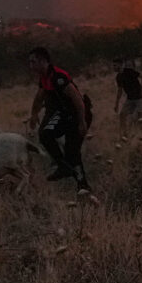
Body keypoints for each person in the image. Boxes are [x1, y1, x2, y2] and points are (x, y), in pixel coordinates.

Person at [27, 46, 91, 192]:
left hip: (76, 114)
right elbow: (39, 97)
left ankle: (82, 185)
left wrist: (82, 122)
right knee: (45, 134)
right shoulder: (44, 78)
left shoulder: (58, 77)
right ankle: (63, 166)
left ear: (43, 61)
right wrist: (34, 114)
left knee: (72, 150)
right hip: (63, 114)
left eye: (33, 62)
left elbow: (78, 100)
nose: (31, 66)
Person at [113, 59, 142, 137]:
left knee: (140, 119)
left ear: (120, 65)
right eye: (113, 66)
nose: (114, 67)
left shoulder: (129, 71)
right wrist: (117, 104)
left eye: (115, 65)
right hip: (130, 99)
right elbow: (120, 90)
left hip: (139, 98)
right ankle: (123, 134)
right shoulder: (118, 77)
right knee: (122, 115)